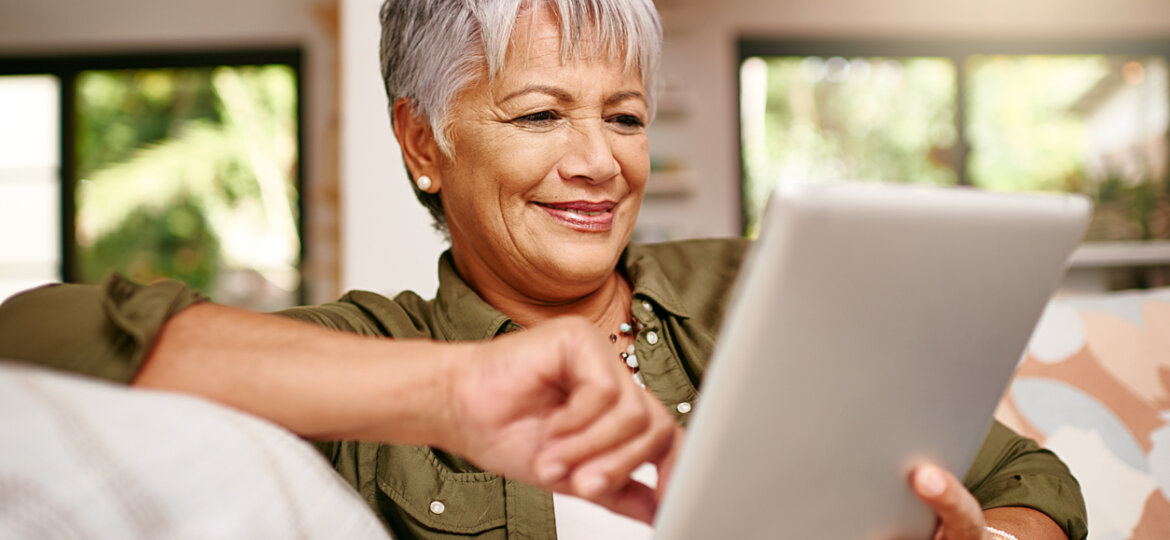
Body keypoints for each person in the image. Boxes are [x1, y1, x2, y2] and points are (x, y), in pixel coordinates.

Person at [0, 0, 1087, 539]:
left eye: (623, 116)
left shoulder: (750, 285)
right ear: (424, 143)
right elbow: (35, 342)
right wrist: (452, 394)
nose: (598, 163)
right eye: (537, 114)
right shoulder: (380, 353)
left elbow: (1027, 480)